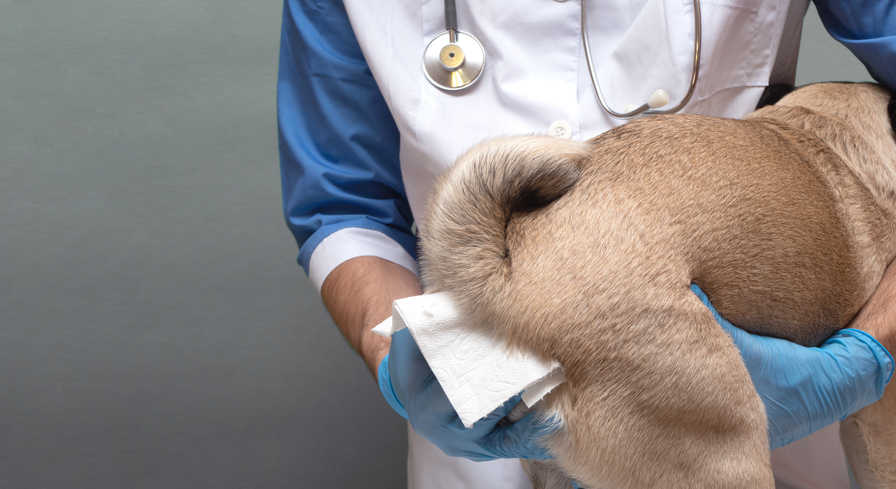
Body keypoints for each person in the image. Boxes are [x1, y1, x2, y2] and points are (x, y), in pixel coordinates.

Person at [278, 1, 896, 488]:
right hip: (493, 394)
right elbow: (344, 204)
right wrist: (391, 350)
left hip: (755, 406)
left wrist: (871, 348)